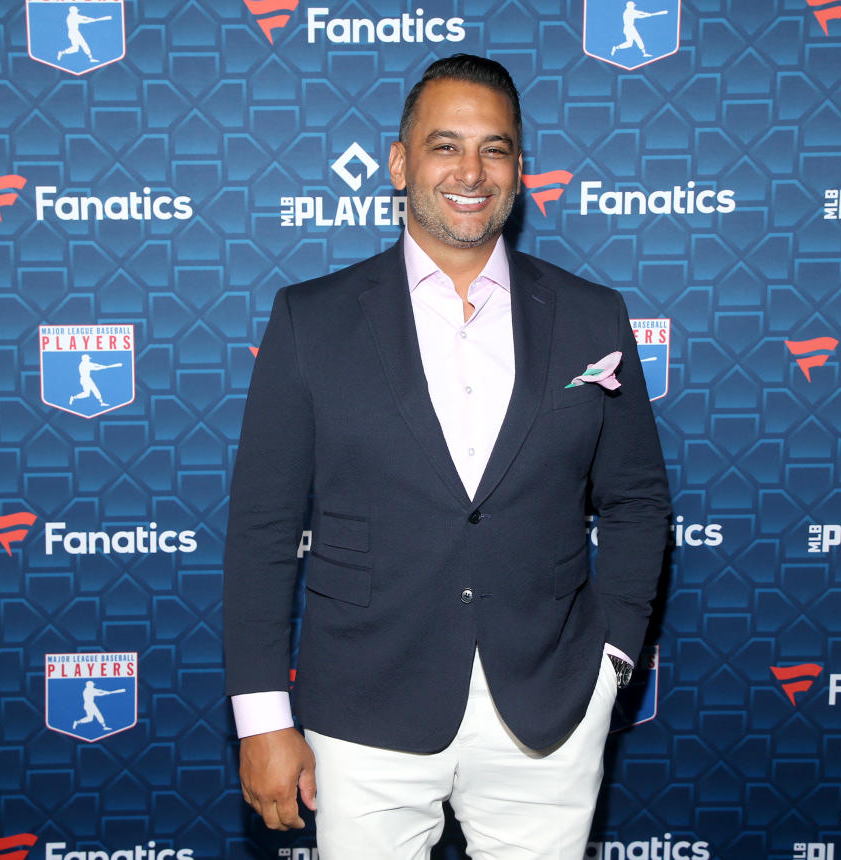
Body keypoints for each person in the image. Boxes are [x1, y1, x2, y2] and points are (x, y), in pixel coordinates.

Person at [223, 54, 670, 859]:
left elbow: (637, 500)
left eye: (494, 149)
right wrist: (261, 720)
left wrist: (611, 658)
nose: (471, 171)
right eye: (445, 145)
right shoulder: (311, 320)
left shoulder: (592, 316)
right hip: (364, 707)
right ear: (399, 163)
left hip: (549, 706)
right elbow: (262, 530)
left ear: (521, 171)